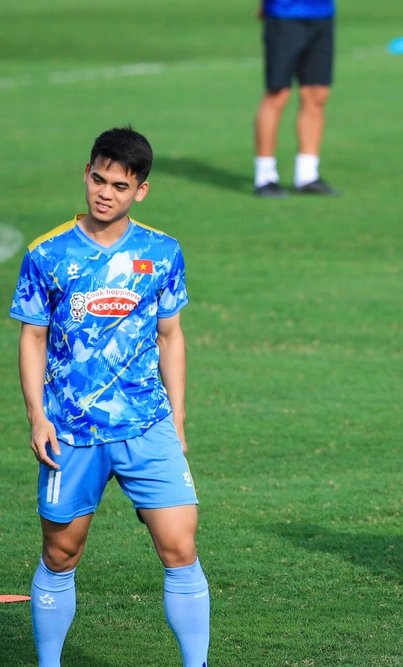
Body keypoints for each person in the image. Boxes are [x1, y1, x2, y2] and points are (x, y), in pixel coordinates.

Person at [10, 127, 209, 667]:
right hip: (71, 431)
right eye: (98, 179)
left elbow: (171, 336)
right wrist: (37, 417)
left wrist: (178, 418)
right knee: (61, 553)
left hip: (147, 424)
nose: (105, 193)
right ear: (86, 173)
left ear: (140, 190)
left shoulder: (162, 252)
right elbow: (32, 338)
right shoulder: (47, 253)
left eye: (120, 186)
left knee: (180, 547)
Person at [253, 0, 338, 197]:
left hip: (323, 13)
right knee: (278, 93)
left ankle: (307, 175)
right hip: (285, 13)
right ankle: (265, 177)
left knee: (317, 94)